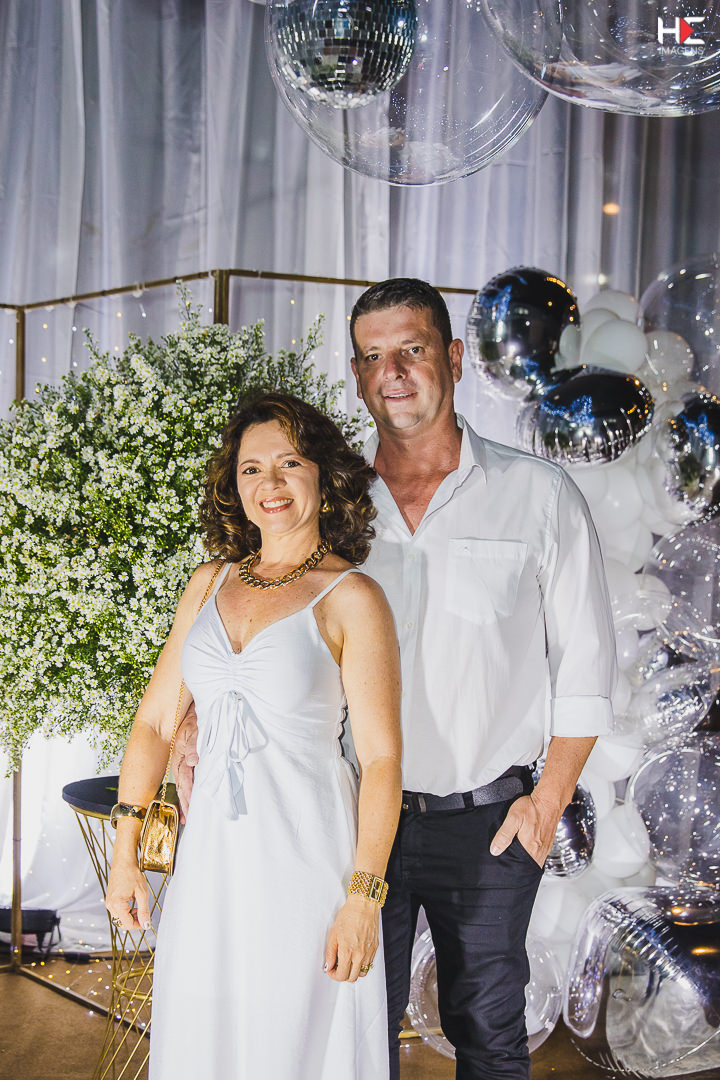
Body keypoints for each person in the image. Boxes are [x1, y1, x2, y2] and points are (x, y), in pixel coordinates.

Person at [174, 279, 617, 1080]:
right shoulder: (327, 506)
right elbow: (260, 622)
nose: (394, 372)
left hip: (487, 823)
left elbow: (587, 665)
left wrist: (547, 801)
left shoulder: (539, 496)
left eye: (412, 349)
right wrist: (198, 717)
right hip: (344, 820)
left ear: (454, 357)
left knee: (488, 1030)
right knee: (345, 1026)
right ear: (356, 375)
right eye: (374, 356)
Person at [105, 391, 402, 1080]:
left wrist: (364, 897)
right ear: (233, 486)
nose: (270, 482)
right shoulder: (208, 584)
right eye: (251, 468)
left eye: (289, 462)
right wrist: (126, 854)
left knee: (293, 1045)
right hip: (212, 863)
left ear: (324, 475)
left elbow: (383, 760)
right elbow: (154, 722)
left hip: (308, 862)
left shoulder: (353, 597)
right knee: (205, 1039)